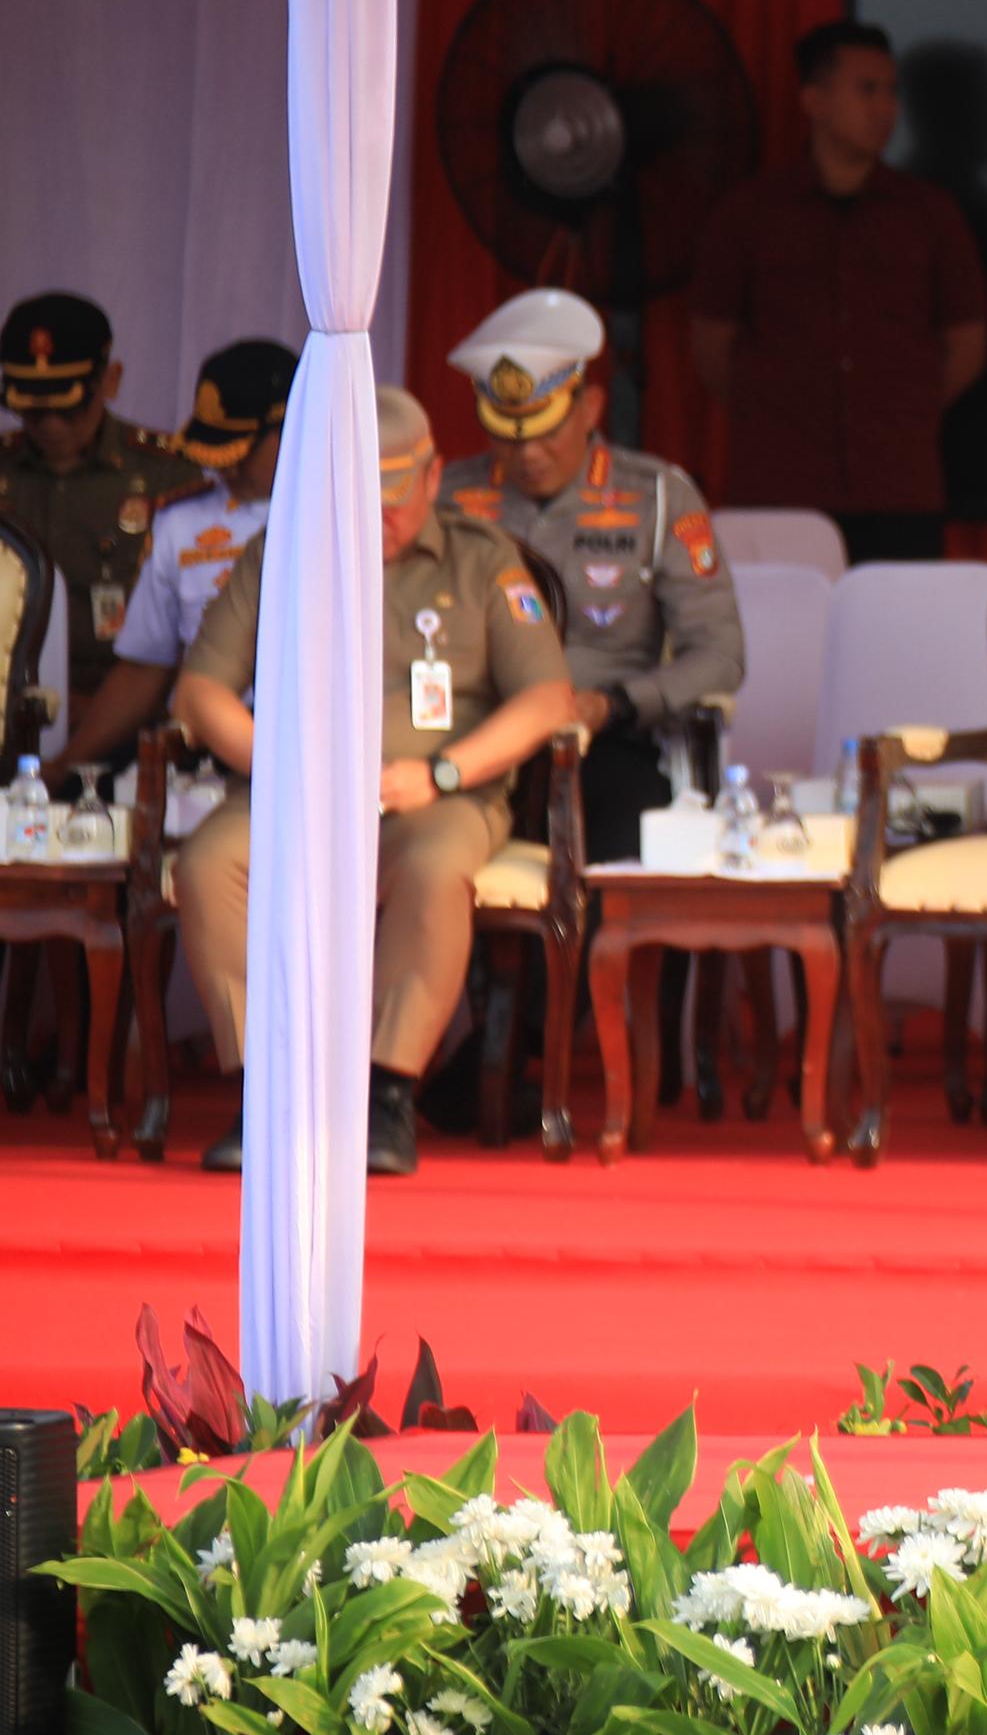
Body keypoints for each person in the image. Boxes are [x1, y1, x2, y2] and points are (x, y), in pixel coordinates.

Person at [170, 388, 580, 1176]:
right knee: (208, 863)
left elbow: (548, 700)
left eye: (394, 499)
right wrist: (286, 767)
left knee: (434, 870)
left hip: (435, 797)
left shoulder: (484, 558)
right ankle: (269, 1091)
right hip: (295, 792)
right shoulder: (282, 552)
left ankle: (385, 1095)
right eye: (361, 499)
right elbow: (200, 693)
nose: (380, 519)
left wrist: (444, 770)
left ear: (431, 478)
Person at [439, 289, 745, 863]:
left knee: (615, 846)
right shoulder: (447, 500)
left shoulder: (657, 496)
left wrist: (614, 704)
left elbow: (722, 655)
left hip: (603, 741)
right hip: (466, 739)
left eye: (545, 428)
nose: (527, 450)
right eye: (507, 431)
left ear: (591, 406)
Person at [684, 20, 987, 562]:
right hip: (779, 490)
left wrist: (904, 404)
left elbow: (966, 342)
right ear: (814, 101)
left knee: (897, 639)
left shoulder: (930, 214)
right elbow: (712, 347)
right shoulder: (748, 213)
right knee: (781, 639)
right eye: (866, 90)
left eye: (892, 92)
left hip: (899, 486)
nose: (885, 109)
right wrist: (779, 407)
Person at [56, 338, 296, 775]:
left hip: (311, 748)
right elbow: (144, 669)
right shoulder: (182, 522)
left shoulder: (356, 518)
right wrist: (64, 767)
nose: (227, 469)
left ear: (296, 426)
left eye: (241, 452)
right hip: (204, 753)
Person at [0, 290, 200, 726]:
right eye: (32, 408)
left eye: (68, 405)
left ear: (110, 381)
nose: (50, 422)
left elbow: (194, 632)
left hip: (129, 715)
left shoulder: (167, 477)